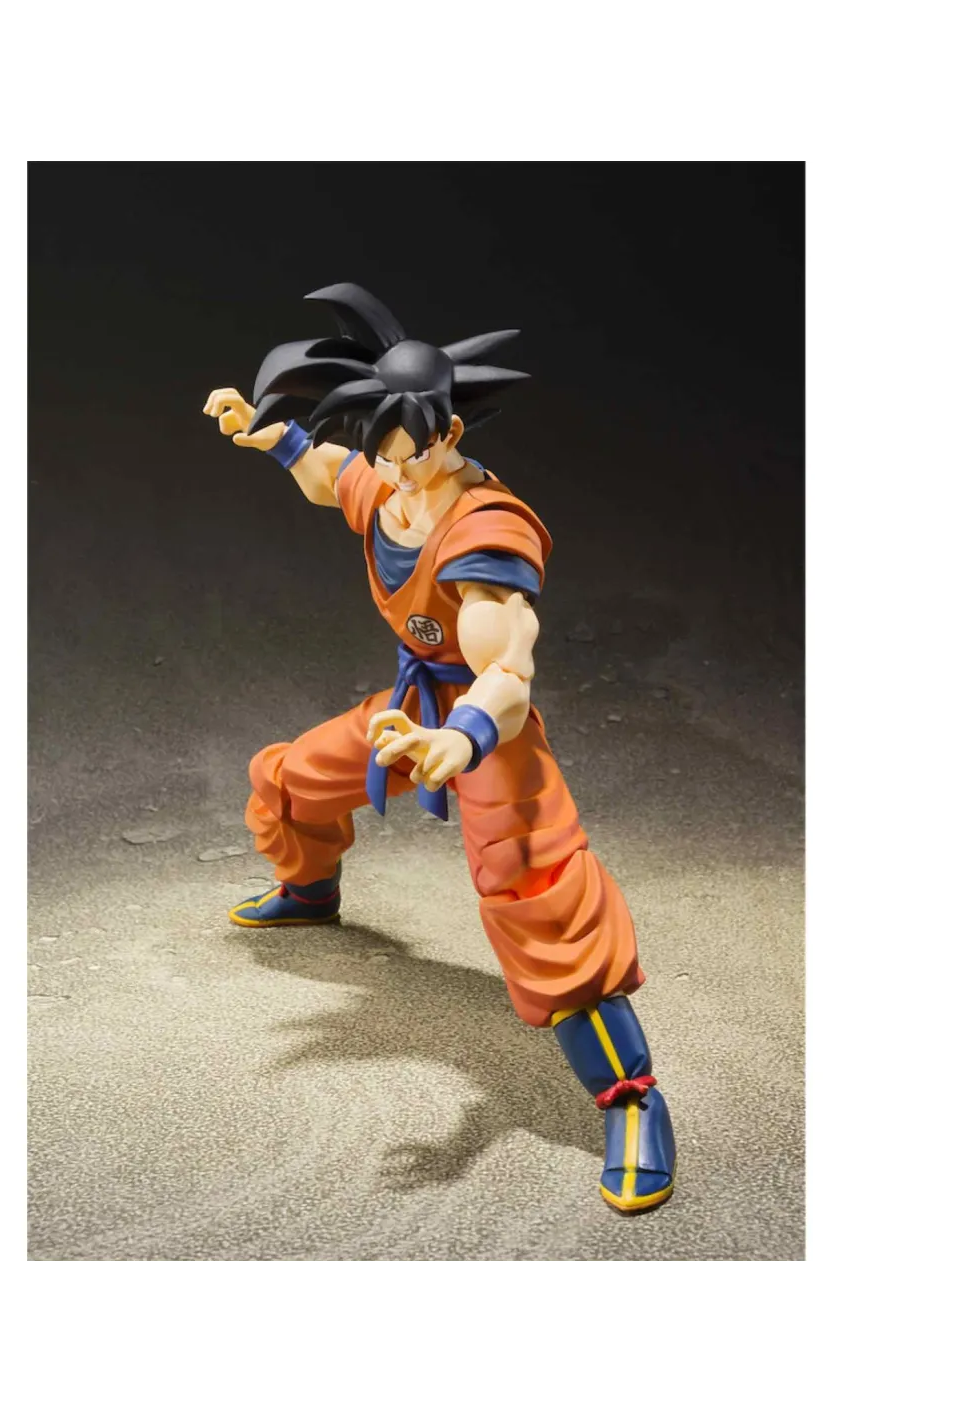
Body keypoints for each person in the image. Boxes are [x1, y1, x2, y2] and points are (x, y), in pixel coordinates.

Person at [203, 282, 676, 1212]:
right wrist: (272, 436)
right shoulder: (388, 482)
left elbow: (508, 672)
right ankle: (311, 891)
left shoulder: (485, 532)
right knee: (290, 780)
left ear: (450, 432)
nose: (395, 471)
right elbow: (329, 473)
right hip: (409, 712)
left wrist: (460, 740)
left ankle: (633, 1103)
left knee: (544, 906)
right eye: (381, 452)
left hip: (485, 732)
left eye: (410, 453)